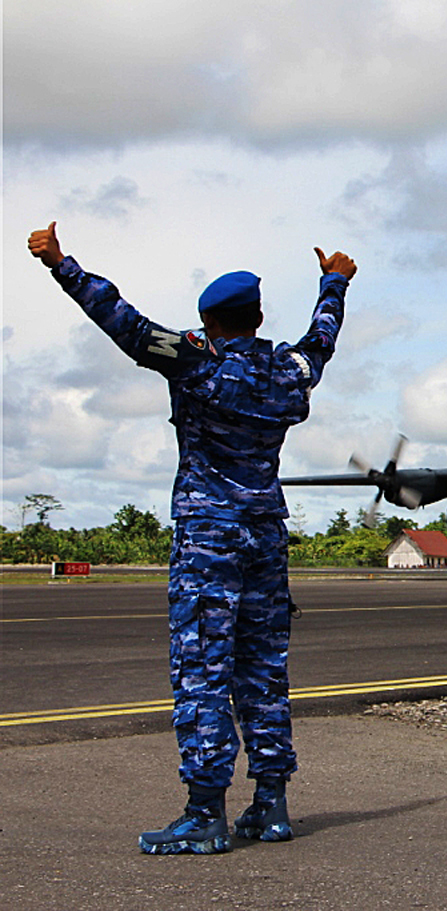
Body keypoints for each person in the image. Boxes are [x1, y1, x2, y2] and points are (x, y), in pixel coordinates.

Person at [28, 221, 356, 854]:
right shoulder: (289, 371)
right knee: (262, 671)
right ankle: (272, 804)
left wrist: (61, 265)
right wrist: (334, 283)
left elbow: (124, 323)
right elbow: (322, 339)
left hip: (209, 536)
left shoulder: (195, 363)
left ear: (210, 325)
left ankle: (205, 813)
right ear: (257, 318)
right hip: (265, 536)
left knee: (203, 670)